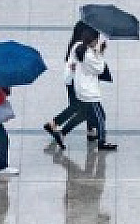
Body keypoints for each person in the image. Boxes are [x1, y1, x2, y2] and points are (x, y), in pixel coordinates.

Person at [43, 21, 101, 149]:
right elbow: (88, 66)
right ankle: (57, 127)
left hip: (72, 81)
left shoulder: (77, 45)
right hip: (77, 82)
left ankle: (90, 130)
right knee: (83, 109)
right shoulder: (80, 48)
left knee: (80, 107)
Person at [72, 34, 117, 151]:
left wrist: (98, 51)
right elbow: (100, 69)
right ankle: (102, 142)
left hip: (83, 88)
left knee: (98, 115)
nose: (97, 42)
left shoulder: (80, 49)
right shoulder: (88, 55)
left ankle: (94, 134)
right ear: (91, 41)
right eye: (96, 40)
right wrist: (101, 53)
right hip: (89, 92)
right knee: (100, 117)